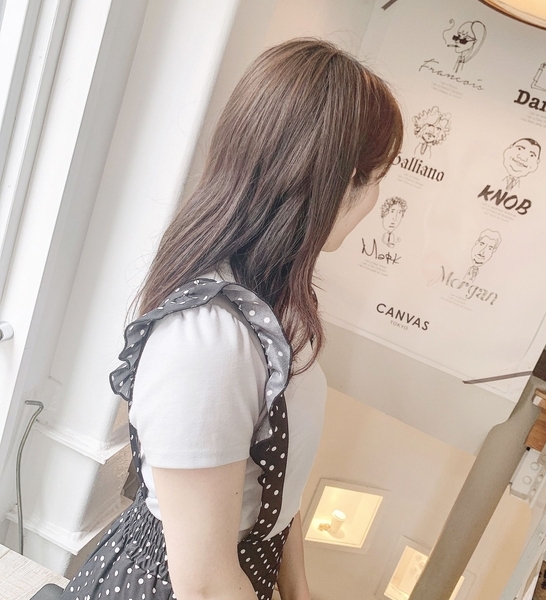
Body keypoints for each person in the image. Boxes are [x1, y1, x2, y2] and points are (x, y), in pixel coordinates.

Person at [60, 39, 403, 600]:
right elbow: (205, 584)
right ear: (333, 184)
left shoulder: (274, 304)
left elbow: (276, 486)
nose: (375, 199)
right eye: (373, 179)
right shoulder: (209, 342)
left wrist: (298, 591)